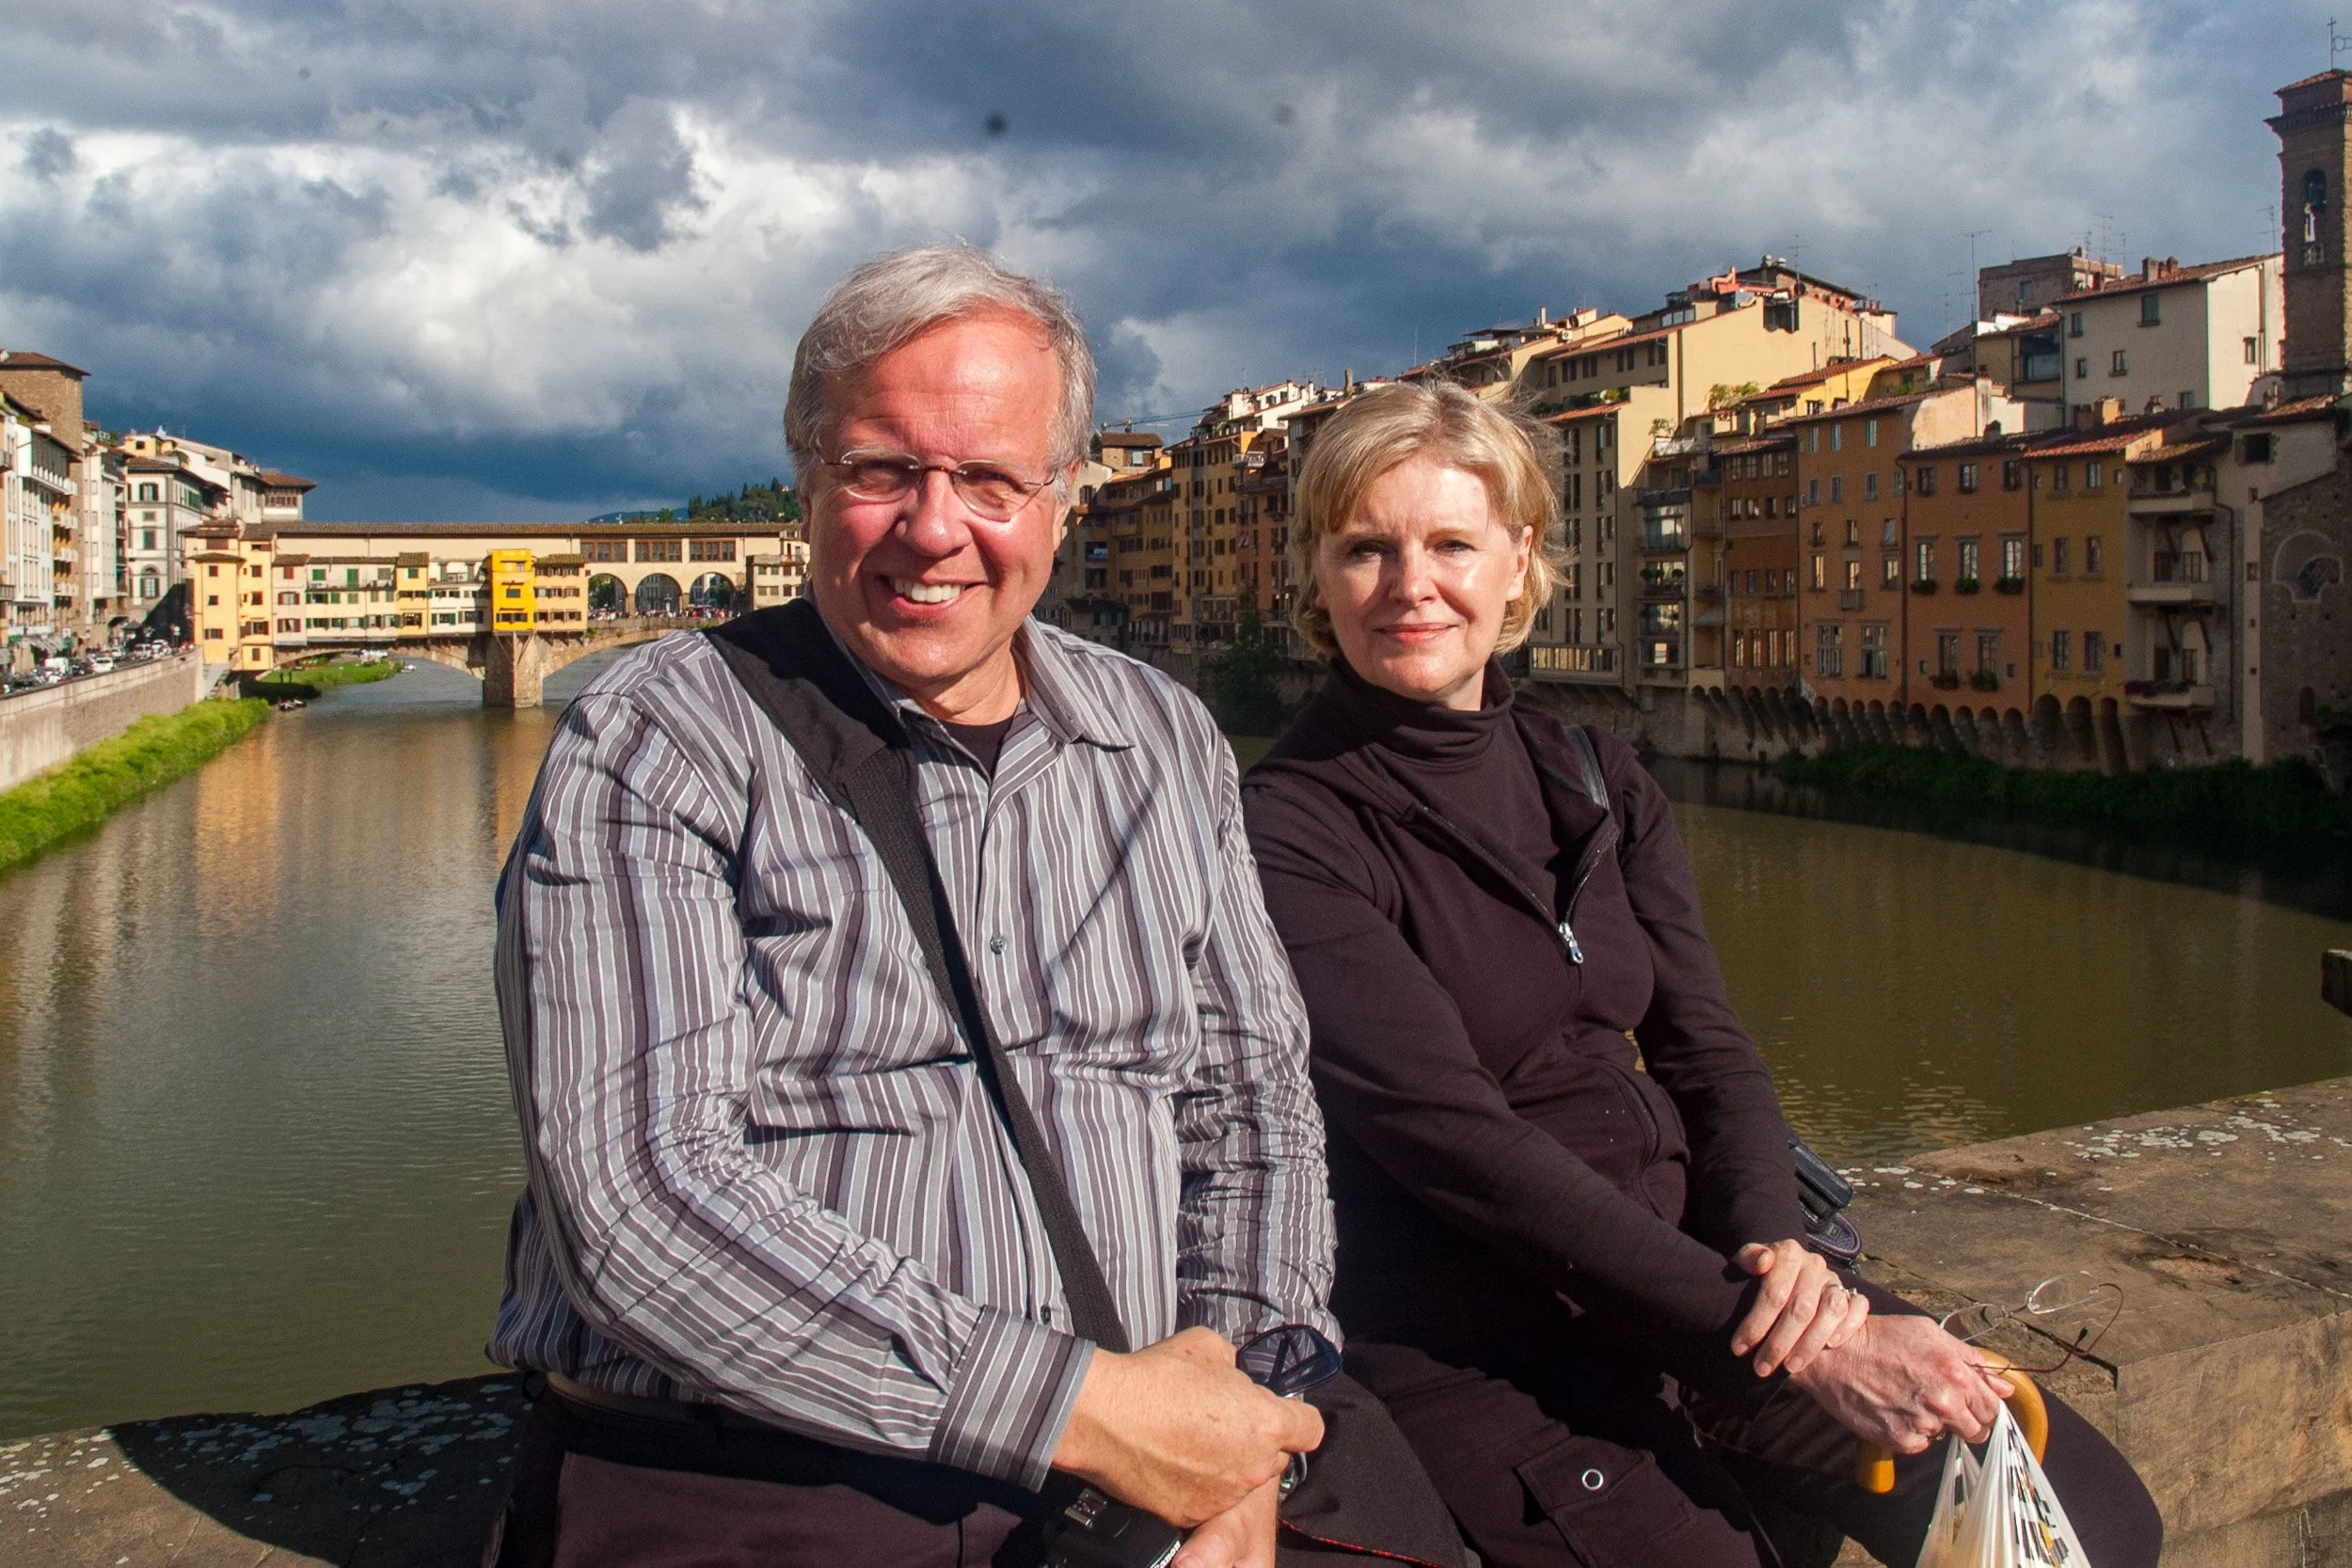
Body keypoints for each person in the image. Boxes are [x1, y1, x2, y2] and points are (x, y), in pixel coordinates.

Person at [484, 245, 1332, 1568]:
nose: (934, 528)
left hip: (1145, 1462)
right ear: (807, 484)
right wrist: (1089, 1410)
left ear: (1062, 499)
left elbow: (1253, 1089)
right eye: (883, 469)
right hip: (763, 1471)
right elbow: (637, 1194)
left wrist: (1232, 1415)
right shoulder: (656, 736)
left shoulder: (1160, 735)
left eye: (990, 478)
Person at [1239, 382, 2162, 1568]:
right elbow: (1454, 1140)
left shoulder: (1594, 773)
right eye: (1365, 547)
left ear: (1519, 562)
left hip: (1713, 1284)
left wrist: (1782, 1263)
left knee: (2090, 1523)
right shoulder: (1290, 825)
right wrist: (1800, 1343)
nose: (1410, 584)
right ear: (1316, 574)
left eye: (1451, 543)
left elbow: (1707, 1050)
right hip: (1490, 1341)